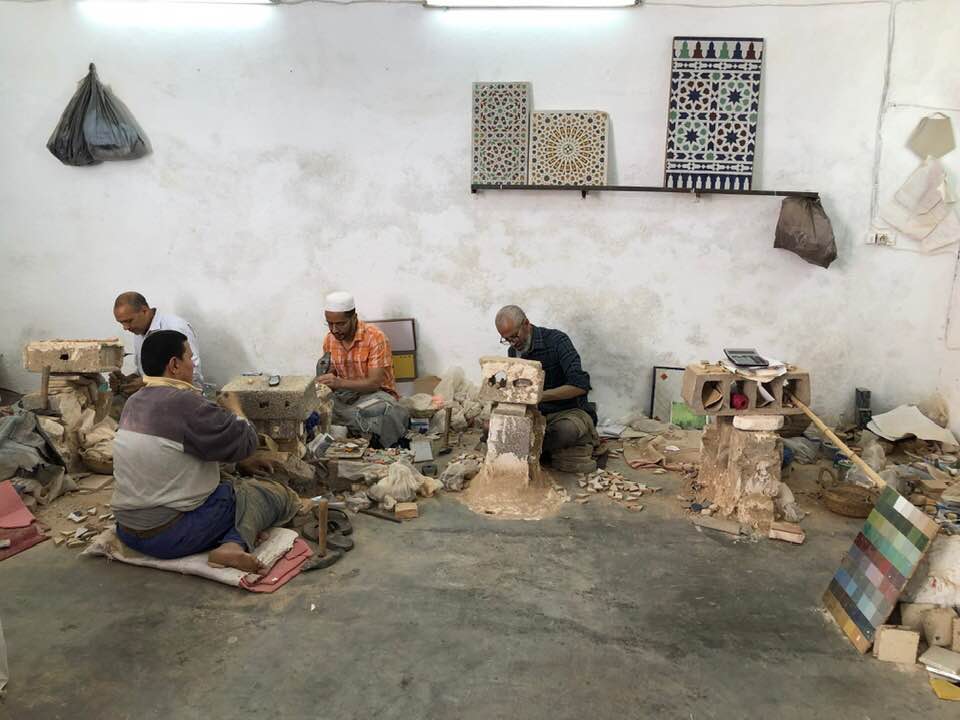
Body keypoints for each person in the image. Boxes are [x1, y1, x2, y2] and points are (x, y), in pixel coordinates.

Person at [111, 330, 326, 573]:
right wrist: (235, 408)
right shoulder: (185, 403)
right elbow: (246, 441)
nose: (193, 365)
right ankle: (233, 546)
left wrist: (238, 464)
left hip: (128, 530)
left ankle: (229, 533)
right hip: (170, 536)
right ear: (174, 365)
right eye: (189, 358)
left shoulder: (133, 402)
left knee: (226, 479)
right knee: (262, 494)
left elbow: (175, 453)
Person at [494, 305, 599, 459]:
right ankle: (536, 450)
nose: (512, 343)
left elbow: (581, 386)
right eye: (506, 339)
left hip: (567, 412)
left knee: (565, 431)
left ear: (526, 324)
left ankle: (528, 450)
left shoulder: (558, 341)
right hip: (535, 413)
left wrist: (541, 395)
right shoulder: (513, 351)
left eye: (514, 336)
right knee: (491, 427)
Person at [316, 291, 409, 448]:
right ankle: (353, 429)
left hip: (374, 396)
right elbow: (332, 375)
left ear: (354, 318)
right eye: (330, 324)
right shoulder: (329, 339)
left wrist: (338, 382)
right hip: (345, 396)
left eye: (340, 324)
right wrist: (326, 381)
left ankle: (358, 431)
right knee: (317, 407)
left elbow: (374, 383)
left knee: (388, 412)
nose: (334, 330)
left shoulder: (375, 338)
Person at [111, 291, 204, 394]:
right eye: (121, 323)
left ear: (144, 311)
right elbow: (143, 372)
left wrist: (148, 383)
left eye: (129, 321)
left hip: (180, 398)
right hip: (153, 396)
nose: (125, 328)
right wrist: (127, 381)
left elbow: (193, 374)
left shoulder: (175, 327)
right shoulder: (139, 332)